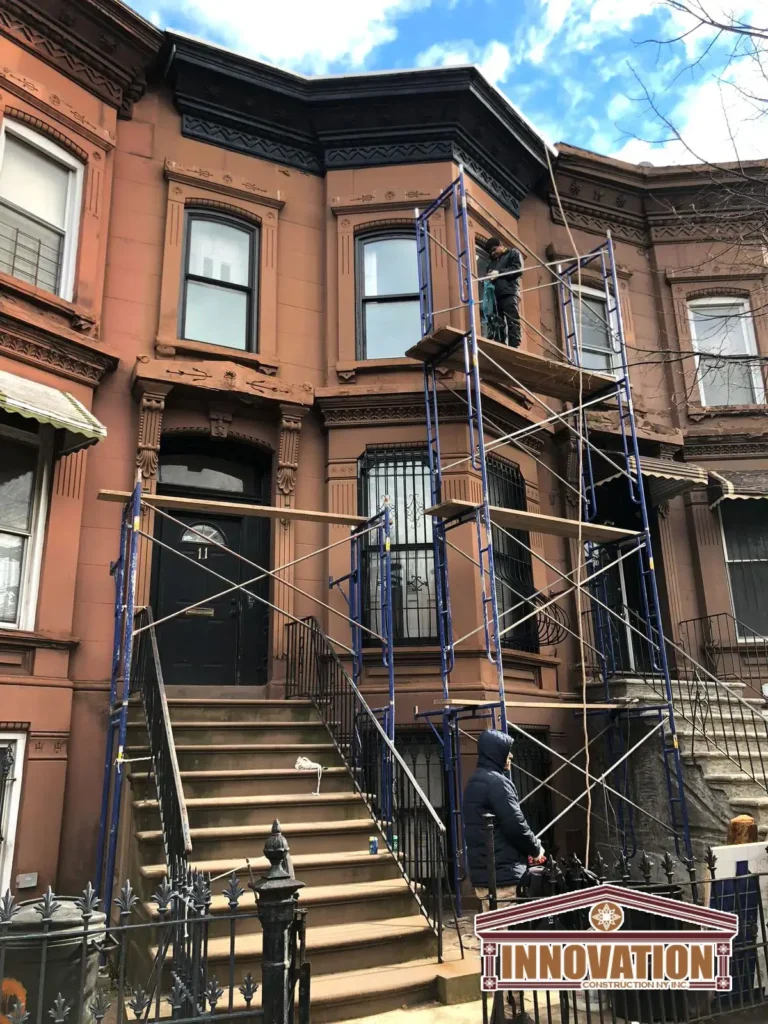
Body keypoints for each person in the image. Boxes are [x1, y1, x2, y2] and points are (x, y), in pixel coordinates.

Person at [463, 729, 545, 910]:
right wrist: (536, 848)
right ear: (496, 753)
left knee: (493, 932)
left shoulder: (474, 782)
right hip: (503, 876)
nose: (511, 756)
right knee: (506, 932)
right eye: (507, 751)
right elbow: (515, 825)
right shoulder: (497, 783)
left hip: (486, 874)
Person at [484, 236, 523, 348]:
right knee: (498, 322)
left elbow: (518, 269)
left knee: (512, 319)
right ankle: (501, 344)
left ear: (500, 246)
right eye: (490, 252)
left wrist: (499, 272)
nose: (493, 253)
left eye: (494, 249)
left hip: (509, 292)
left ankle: (514, 345)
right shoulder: (491, 264)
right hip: (496, 297)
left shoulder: (513, 253)